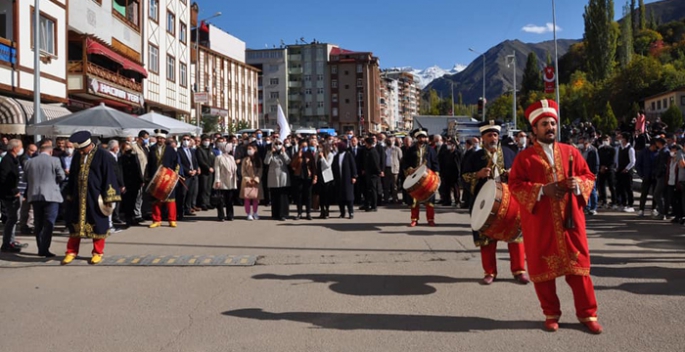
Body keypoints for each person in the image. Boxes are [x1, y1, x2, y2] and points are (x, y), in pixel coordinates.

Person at [509, 99, 602, 334]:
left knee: (579, 270)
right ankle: (551, 314)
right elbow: (515, 185)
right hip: (541, 223)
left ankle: (587, 314)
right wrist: (542, 190)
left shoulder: (571, 152)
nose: (550, 127)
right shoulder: (525, 158)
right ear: (534, 129)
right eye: (544, 124)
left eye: (552, 123)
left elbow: (589, 176)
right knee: (544, 273)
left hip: (571, 222)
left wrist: (578, 183)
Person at [462, 121, 528, 285]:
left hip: (510, 201)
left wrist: (513, 174)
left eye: (495, 135)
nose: (493, 138)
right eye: (489, 135)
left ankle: (519, 270)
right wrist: (477, 175)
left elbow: (522, 176)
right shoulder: (473, 156)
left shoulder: (509, 152)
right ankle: (490, 272)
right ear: (482, 138)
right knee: (487, 239)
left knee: (515, 236)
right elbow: (463, 178)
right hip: (484, 202)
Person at [61, 131, 121, 265]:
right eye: (79, 149)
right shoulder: (78, 155)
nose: (80, 152)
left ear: (89, 145)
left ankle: (97, 252)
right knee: (74, 224)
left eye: (82, 149)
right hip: (78, 196)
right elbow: (73, 175)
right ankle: (71, 252)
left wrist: (109, 197)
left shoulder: (102, 155)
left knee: (98, 224)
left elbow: (109, 175)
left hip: (95, 196)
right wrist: (70, 193)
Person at [23, 142, 65, 257]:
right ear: (50, 152)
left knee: (38, 222)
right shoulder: (55, 160)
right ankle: (44, 248)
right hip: (51, 196)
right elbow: (62, 176)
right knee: (49, 222)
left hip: (35, 195)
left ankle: (40, 247)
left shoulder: (29, 162)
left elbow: (25, 178)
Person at [400, 129, 439, 226]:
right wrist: (410, 170)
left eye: (424, 137)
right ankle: (414, 219)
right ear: (417, 138)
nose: (422, 139)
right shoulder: (411, 150)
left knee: (429, 200)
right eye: (420, 137)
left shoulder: (430, 149)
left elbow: (435, 162)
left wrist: (437, 174)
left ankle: (430, 219)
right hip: (415, 178)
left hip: (428, 177)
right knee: (414, 200)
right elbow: (404, 162)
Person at [0, 139, 29, 253]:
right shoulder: (7, 161)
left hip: (12, 194)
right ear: (14, 148)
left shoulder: (14, 159)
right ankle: (7, 243)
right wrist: (14, 191)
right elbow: (4, 178)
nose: (21, 149)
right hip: (9, 195)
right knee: (12, 218)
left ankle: (10, 241)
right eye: (20, 147)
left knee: (13, 218)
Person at [147, 129, 180, 228]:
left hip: (167, 176)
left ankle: (172, 219)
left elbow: (176, 163)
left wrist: (174, 174)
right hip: (155, 177)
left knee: (170, 200)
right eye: (158, 138)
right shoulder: (152, 149)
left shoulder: (170, 149)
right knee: (155, 200)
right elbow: (149, 164)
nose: (159, 140)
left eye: (161, 138)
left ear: (164, 139)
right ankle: (156, 220)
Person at [264, 139, 291, 221]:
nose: (278, 145)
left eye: (280, 143)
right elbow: (266, 162)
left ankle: (283, 214)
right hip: (273, 176)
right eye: (276, 143)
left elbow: (288, 162)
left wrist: (283, 153)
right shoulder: (270, 152)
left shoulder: (285, 152)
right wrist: (270, 153)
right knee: (274, 196)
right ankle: (275, 214)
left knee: (283, 196)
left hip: (283, 176)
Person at [291, 140, 317, 220]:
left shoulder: (310, 155)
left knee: (308, 196)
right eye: (303, 146)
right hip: (299, 177)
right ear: (299, 147)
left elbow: (314, 167)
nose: (304, 148)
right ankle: (299, 213)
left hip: (308, 177)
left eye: (305, 146)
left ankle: (308, 213)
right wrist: (298, 157)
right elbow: (292, 165)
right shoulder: (296, 154)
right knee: (299, 196)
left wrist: (315, 177)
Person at [119, 142, 144, 227]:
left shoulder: (134, 157)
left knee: (134, 201)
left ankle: (133, 218)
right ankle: (128, 219)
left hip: (135, 182)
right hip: (126, 182)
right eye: (126, 148)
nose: (128, 150)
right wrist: (122, 184)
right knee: (127, 202)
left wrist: (141, 180)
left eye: (130, 148)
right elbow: (120, 172)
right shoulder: (121, 158)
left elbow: (138, 168)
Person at [213, 142, 238, 221]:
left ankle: (230, 215)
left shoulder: (231, 157)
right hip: (222, 179)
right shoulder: (218, 157)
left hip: (230, 180)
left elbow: (235, 167)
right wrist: (217, 180)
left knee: (230, 199)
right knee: (221, 199)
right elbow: (217, 169)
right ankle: (221, 216)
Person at [333, 141, 358, 219]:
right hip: (339, 179)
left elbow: (353, 166)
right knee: (340, 197)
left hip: (347, 179)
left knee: (348, 197)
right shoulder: (336, 156)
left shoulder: (348, 155)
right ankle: (342, 212)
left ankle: (351, 212)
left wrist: (354, 176)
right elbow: (334, 167)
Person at [130, 130, 150, 224]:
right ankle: (135, 215)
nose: (147, 140)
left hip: (145, 175)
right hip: (137, 175)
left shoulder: (146, 148)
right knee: (136, 196)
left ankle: (141, 213)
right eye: (145, 138)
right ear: (140, 138)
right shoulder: (134, 147)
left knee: (142, 196)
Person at [240, 143, 263, 220]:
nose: (249, 150)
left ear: (255, 150)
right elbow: (243, 171)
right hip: (247, 182)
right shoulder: (245, 160)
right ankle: (248, 213)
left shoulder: (258, 159)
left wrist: (256, 179)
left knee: (255, 198)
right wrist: (248, 179)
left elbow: (260, 170)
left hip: (256, 181)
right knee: (247, 198)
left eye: (250, 149)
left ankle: (255, 212)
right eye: (248, 149)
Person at [178, 135, 200, 216]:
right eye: (184, 139)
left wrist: (195, 169)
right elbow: (179, 163)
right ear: (181, 140)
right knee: (183, 193)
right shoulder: (179, 151)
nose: (186, 141)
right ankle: (180, 210)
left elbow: (195, 161)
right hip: (185, 175)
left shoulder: (191, 151)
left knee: (191, 193)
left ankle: (188, 209)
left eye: (188, 139)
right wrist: (188, 171)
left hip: (193, 175)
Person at [615, 132, 636, 212]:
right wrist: (617, 167)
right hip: (620, 170)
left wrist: (627, 168)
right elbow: (617, 159)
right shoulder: (619, 148)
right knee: (621, 188)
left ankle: (630, 204)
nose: (621, 139)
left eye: (622, 138)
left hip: (627, 171)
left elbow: (633, 161)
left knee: (628, 188)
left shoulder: (630, 149)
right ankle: (623, 203)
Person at [636, 141, 658, 217]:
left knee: (655, 193)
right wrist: (641, 175)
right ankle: (641, 209)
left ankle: (654, 208)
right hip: (646, 176)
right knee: (644, 193)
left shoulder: (657, 152)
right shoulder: (644, 152)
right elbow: (638, 164)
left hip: (655, 176)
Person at [316, 141, 335, 219]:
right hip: (319, 177)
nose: (320, 149)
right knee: (321, 196)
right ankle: (322, 211)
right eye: (319, 147)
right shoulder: (317, 154)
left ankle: (327, 210)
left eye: (321, 147)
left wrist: (323, 157)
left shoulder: (330, 155)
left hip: (327, 178)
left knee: (327, 195)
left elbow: (327, 165)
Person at [197, 135, 216, 210]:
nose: (207, 142)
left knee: (209, 188)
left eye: (208, 140)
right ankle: (203, 203)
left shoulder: (210, 149)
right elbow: (201, 160)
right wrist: (208, 168)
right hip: (204, 171)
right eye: (205, 140)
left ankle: (208, 202)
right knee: (204, 188)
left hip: (211, 172)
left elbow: (214, 159)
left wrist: (213, 167)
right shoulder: (200, 149)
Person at [597, 135, 617, 209]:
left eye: (607, 140)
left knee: (612, 186)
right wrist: (601, 167)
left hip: (610, 170)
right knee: (601, 186)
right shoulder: (600, 149)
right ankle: (604, 201)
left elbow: (612, 160)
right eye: (604, 140)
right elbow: (598, 159)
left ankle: (614, 202)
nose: (605, 141)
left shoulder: (612, 150)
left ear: (610, 141)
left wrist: (606, 166)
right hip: (601, 170)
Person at [383, 135, 403, 204]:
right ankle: (386, 199)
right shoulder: (384, 149)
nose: (389, 141)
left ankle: (395, 199)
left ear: (394, 141)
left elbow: (401, 159)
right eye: (388, 140)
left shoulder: (397, 149)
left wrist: (399, 168)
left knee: (394, 186)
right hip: (386, 169)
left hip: (394, 169)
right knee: (386, 186)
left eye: (391, 140)